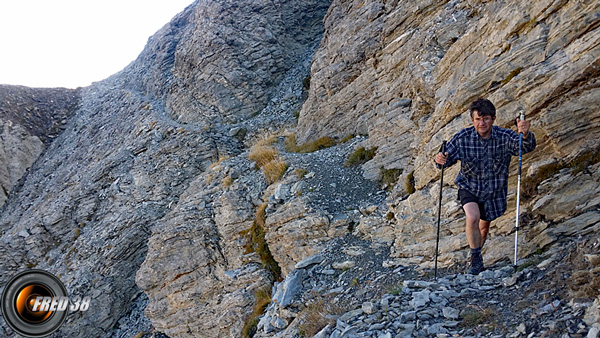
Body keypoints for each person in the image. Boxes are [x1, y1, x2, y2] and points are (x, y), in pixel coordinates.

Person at [434, 98, 536, 275]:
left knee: (484, 226)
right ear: (472, 120)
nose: (482, 123)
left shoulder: (504, 137)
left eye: (486, 118)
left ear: (493, 119)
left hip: (494, 192)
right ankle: (475, 260)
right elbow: (444, 160)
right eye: (478, 119)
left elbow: (524, 147)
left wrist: (525, 134)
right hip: (469, 187)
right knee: (472, 217)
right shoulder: (462, 138)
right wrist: (440, 159)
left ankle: (476, 254)